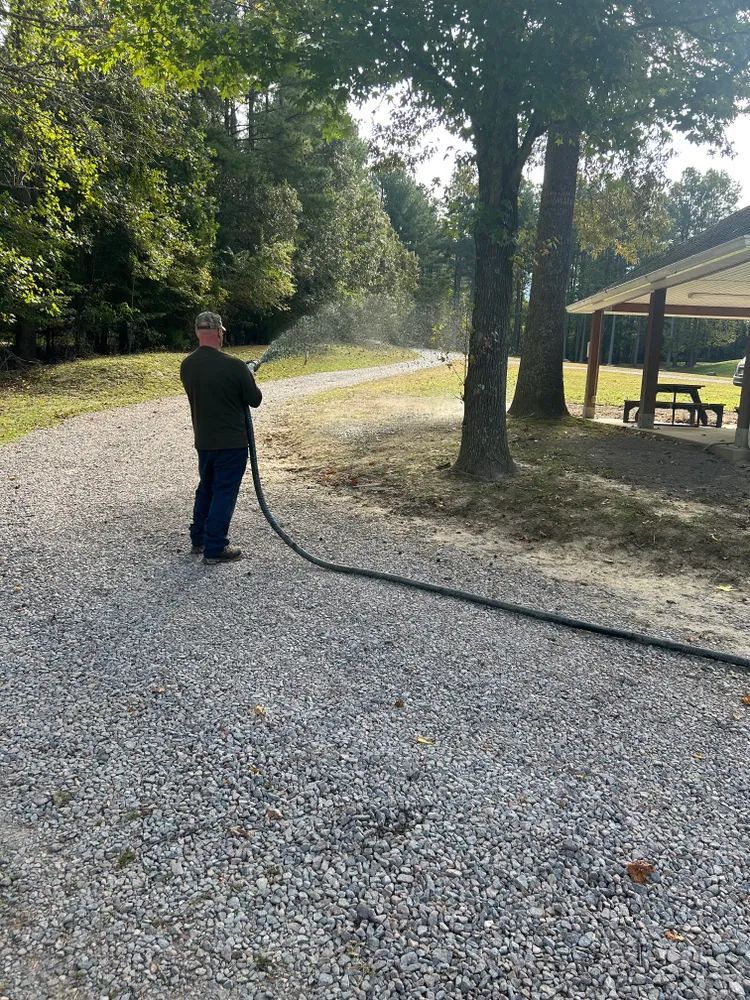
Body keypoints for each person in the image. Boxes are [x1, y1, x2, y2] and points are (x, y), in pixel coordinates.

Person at [180, 311, 262, 565]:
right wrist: (248, 374)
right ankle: (215, 547)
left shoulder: (187, 365)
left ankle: (199, 538)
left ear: (197, 332)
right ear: (219, 332)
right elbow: (255, 399)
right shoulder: (234, 366)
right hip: (231, 443)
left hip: (204, 441)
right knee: (224, 492)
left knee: (207, 487)